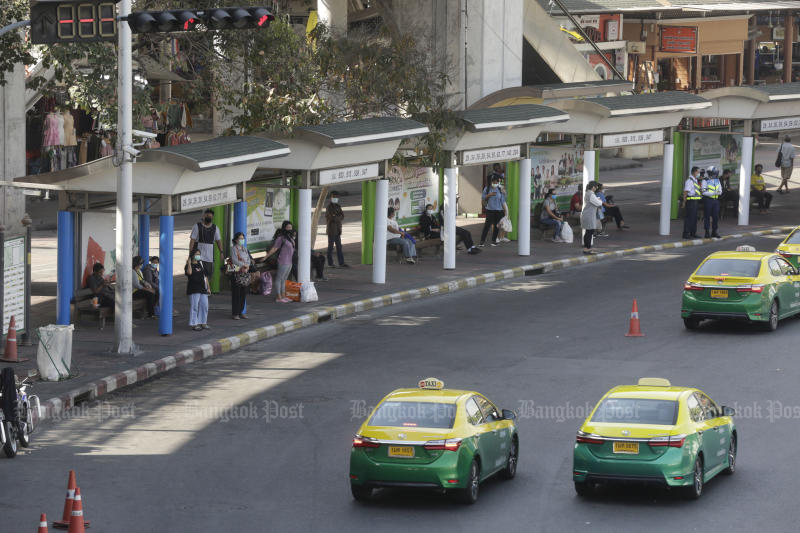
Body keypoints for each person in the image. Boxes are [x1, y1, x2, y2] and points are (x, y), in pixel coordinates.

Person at [264, 221, 296, 303]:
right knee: (279, 279)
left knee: (284, 279)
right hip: (283, 261)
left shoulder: (290, 237)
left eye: (290, 227)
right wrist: (266, 257)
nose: (289, 229)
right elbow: (274, 249)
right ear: (284, 228)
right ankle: (278, 297)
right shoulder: (281, 238)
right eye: (288, 227)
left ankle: (283, 296)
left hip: (289, 261)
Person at [189, 208, 224, 279]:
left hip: (209, 258)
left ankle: (206, 289)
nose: (209, 217)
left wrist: (221, 252)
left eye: (210, 217)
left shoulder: (215, 228)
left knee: (208, 276)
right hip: (198, 257)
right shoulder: (197, 226)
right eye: (207, 215)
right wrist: (191, 253)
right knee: (197, 274)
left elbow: (218, 241)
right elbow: (192, 240)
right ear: (204, 216)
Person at [185, 246, 209, 331]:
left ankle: (203, 322)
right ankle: (194, 323)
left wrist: (208, 288)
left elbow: (205, 276)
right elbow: (189, 273)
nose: (198, 256)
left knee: (205, 305)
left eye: (199, 254)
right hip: (194, 288)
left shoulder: (201, 263)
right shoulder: (189, 265)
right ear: (192, 255)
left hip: (202, 287)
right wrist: (189, 263)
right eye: (196, 254)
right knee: (194, 306)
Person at [480, 174, 506, 246]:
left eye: (497, 182)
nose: (496, 183)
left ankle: (493, 240)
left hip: (499, 210)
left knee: (497, 226)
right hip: (490, 210)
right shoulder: (487, 188)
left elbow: (503, 200)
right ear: (491, 181)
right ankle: (482, 241)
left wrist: (504, 193)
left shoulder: (500, 188)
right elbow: (483, 198)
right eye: (495, 182)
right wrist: (489, 195)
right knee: (487, 226)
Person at [229, 231, 250, 318]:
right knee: (236, 294)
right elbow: (234, 260)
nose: (242, 240)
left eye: (243, 238)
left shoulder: (244, 249)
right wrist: (243, 265)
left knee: (243, 294)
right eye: (240, 238)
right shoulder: (234, 249)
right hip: (237, 273)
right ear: (236, 240)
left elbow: (248, 258)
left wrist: (247, 266)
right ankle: (235, 313)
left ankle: (241, 312)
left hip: (244, 273)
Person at [325, 190, 348, 268]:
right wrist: (337, 217)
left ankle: (341, 263)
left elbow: (342, 216)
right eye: (334, 197)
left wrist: (336, 216)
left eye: (337, 197)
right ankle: (330, 263)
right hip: (331, 230)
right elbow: (332, 218)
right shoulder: (329, 207)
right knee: (330, 247)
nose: (335, 198)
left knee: (339, 247)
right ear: (331, 197)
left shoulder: (338, 206)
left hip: (338, 230)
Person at [581, 181, 603, 255]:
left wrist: (598, 200)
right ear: (593, 187)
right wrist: (599, 200)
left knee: (588, 232)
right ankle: (587, 248)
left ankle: (587, 247)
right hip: (589, 215)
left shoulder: (588, 193)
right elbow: (599, 203)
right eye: (596, 186)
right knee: (589, 232)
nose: (597, 188)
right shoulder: (591, 194)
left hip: (588, 215)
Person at [681, 166, 702, 239]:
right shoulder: (689, 181)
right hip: (690, 202)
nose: (699, 173)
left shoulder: (695, 180)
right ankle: (686, 233)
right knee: (689, 218)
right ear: (694, 172)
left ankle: (693, 233)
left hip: (695, 202)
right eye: (698, 172)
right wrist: (684, 202)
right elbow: (685, 192)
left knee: (694, 218)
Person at [701, 167, 722, 239]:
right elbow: (703, 192)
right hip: (708, 200)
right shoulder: (705, 181)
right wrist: (714, 193)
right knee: (707, 217)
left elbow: (720, 191)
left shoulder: (717, 180)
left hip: (716, 201)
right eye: (714, 173)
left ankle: (714, 232)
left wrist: (718, 193)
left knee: (715, 217)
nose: (716, 174)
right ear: (710, 173)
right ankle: (707, 232)